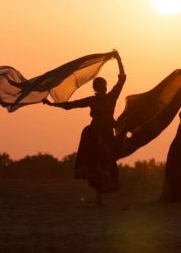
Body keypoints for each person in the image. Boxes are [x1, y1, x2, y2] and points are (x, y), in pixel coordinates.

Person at [43, 50, 126, 206]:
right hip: (94, 134)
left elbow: (122, 79)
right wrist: (51, 104)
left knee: (107, 162)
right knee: (96, 164)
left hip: (107, 134)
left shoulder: (111, 97)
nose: (103, 88)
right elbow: (70, 105)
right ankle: (98, 198)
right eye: (99, 86)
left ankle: (100, 196)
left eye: (104, 86)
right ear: (95, 88)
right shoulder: (91, 100)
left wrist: (119, 60)